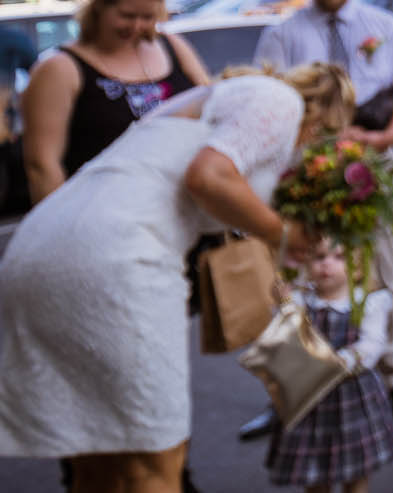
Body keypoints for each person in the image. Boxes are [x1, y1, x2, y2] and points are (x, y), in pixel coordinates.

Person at [0, 61, 355, 493]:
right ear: (324, 120)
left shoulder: (215, 102)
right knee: (157, 460)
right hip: (116, 255)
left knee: (96, 458)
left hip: (39, 245)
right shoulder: (277, 101)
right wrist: (284, 234)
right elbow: (209, 176)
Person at [243, 0, 393, 436]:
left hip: (368, 163)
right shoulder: (284, 34)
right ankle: (286, 385)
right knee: (299, 273)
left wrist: (388, 134)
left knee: (382, 268)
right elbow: (266, 92)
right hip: (306, 172)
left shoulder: (383, 28)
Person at [18, 0, 210, 205]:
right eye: (127, 16)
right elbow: (42, 166)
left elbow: (210, 106)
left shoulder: (172, 46)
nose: (137, 26)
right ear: (99, 8)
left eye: (148, 17)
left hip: (181, 209)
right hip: (103, 214)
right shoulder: (61, 68)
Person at [264, 237, 393, 493]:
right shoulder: (304, 301)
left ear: (356, 266)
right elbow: (287, 338)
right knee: (314, 471)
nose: (327, 265)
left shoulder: (366, 302)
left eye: (338, 257)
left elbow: (372, 344)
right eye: (319, 257)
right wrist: (285, 305)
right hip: (310, 401)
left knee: (357, 471)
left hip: (352, 398)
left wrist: (345, 359)